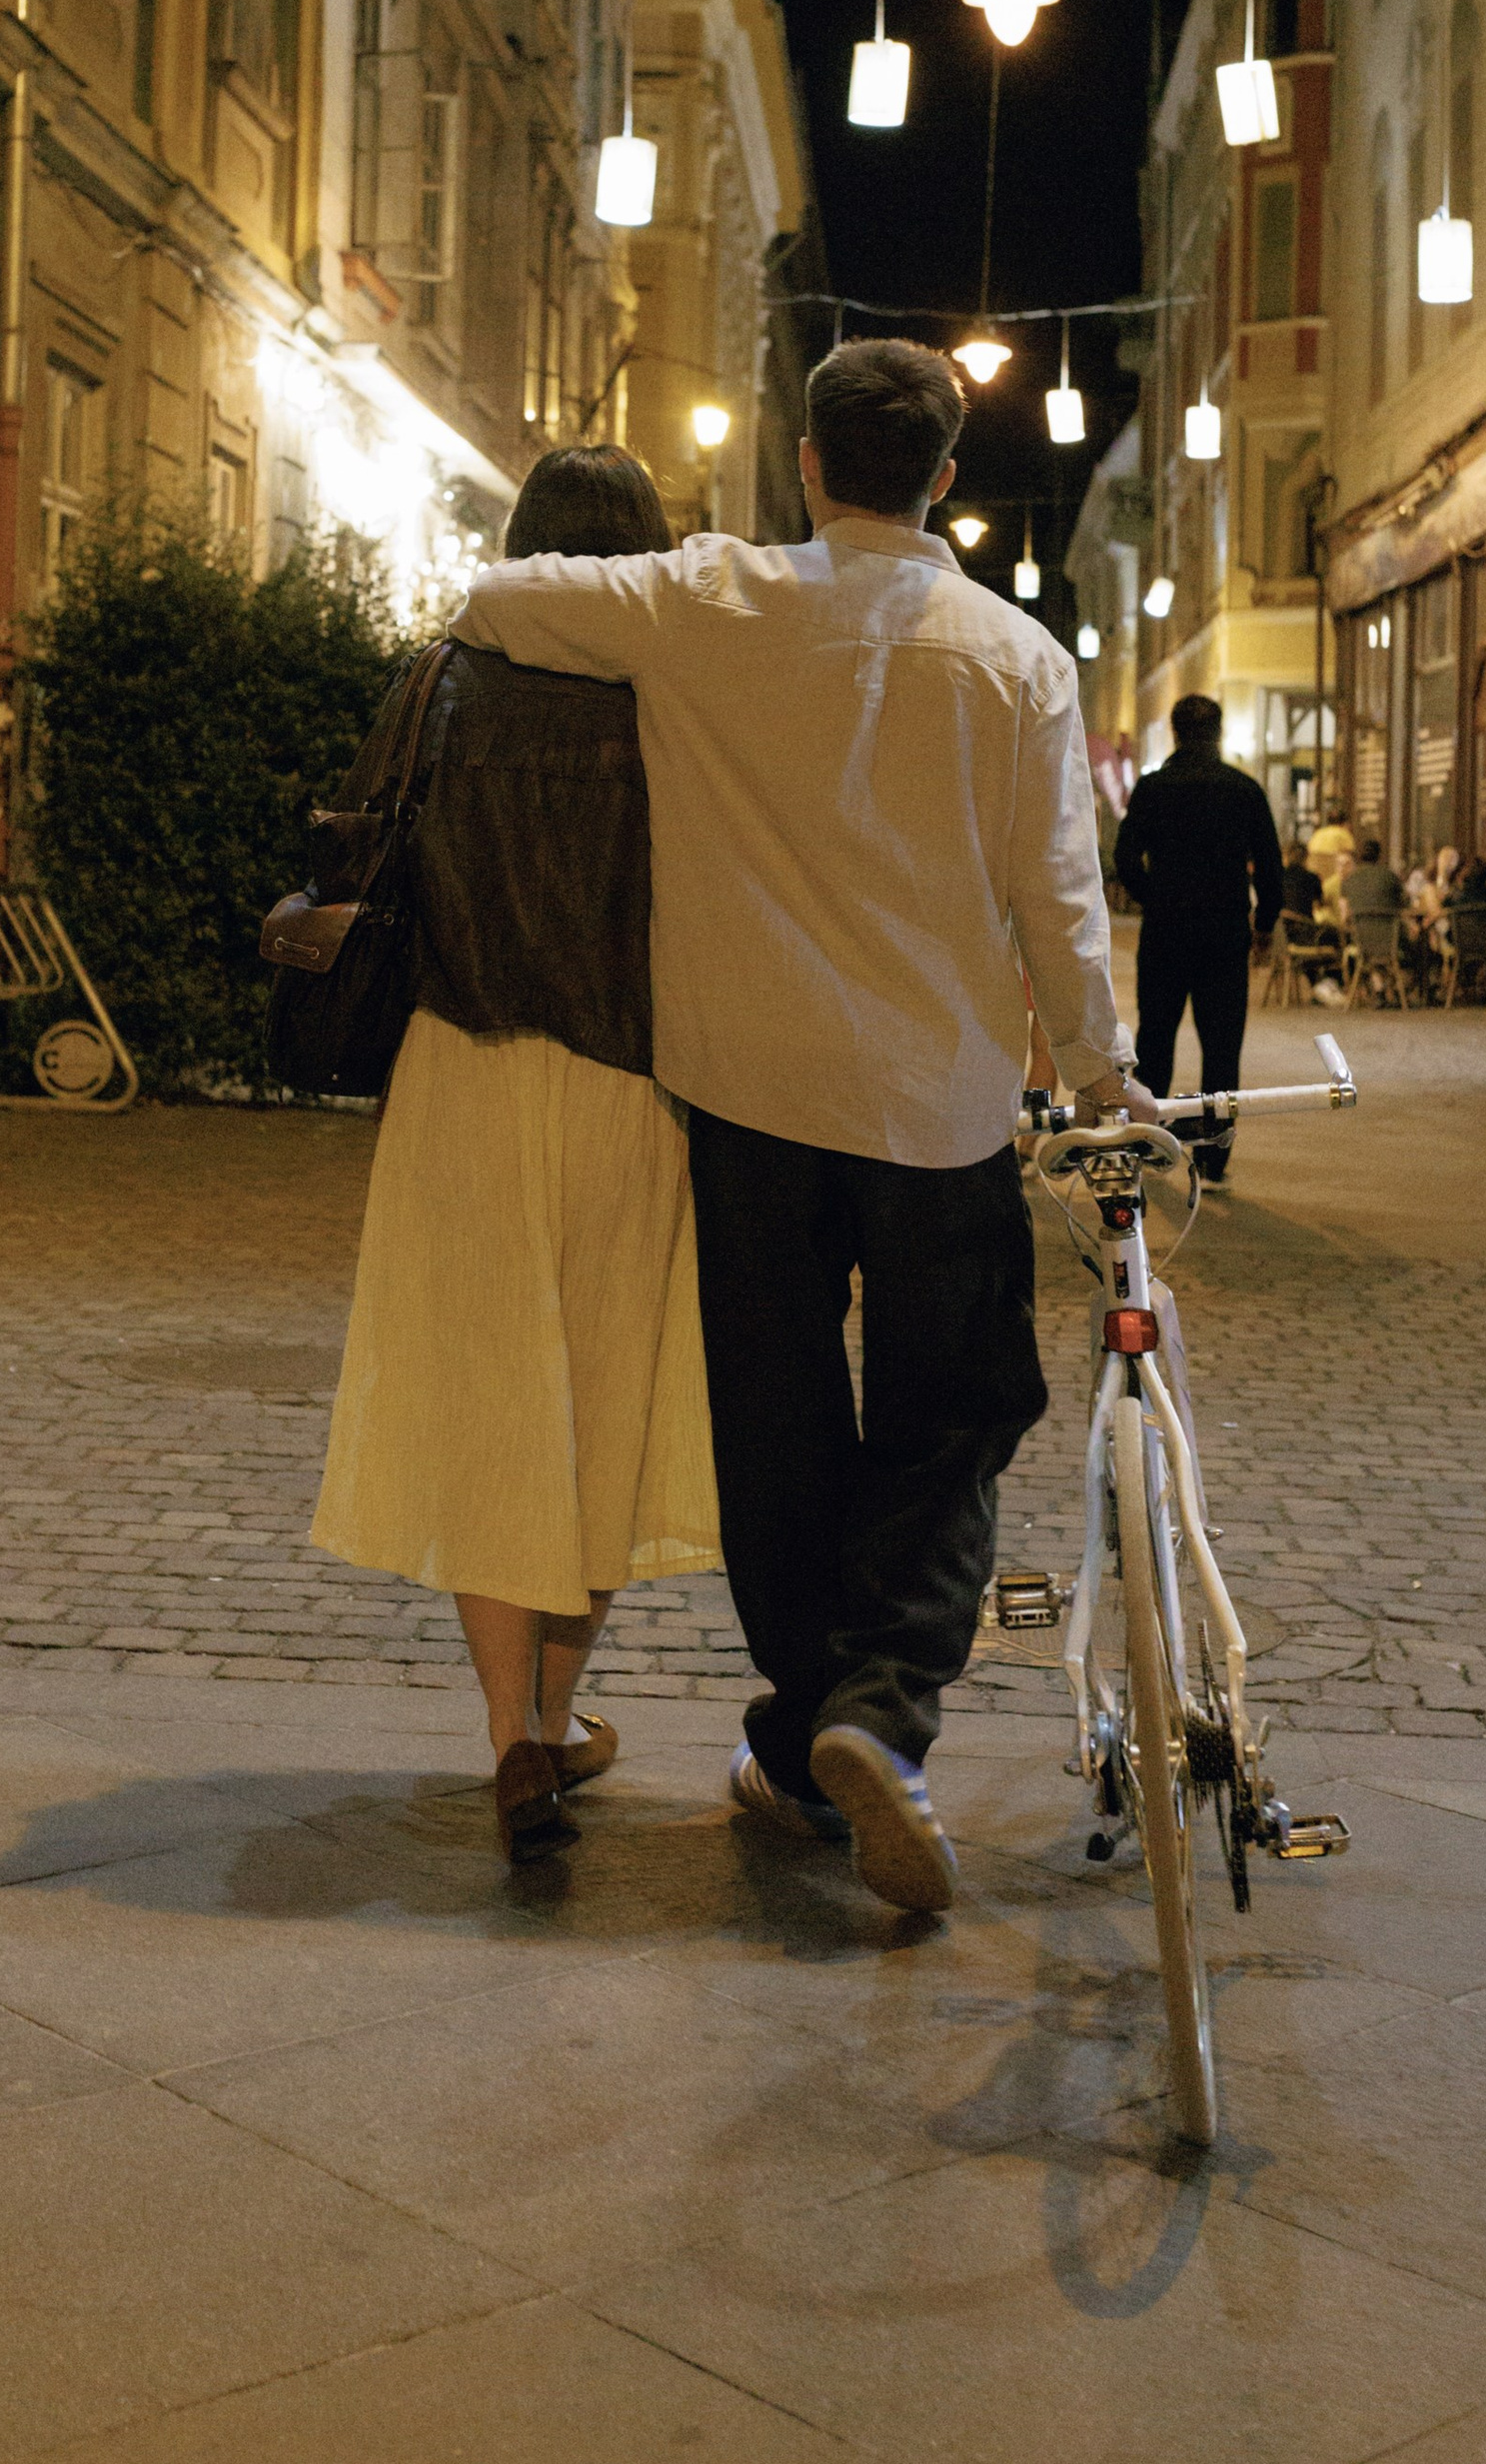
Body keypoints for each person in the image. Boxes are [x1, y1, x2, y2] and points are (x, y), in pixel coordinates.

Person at [451, 338, 1133, 1917]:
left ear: (808, 463)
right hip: (938, 1104)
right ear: (945, 479)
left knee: (776, 1422)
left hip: (748, 1095)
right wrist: (1103, 1075)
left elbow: (492, 601)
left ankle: (804, 1725)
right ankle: (875, 1712)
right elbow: (1058, 899)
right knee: (953, 1414)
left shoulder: (707, 598)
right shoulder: (1018, 656)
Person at [311, 445, 722, 1868]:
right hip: (630, 1087)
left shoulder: (439, 679)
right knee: (603, 1399)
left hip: (462, 1074)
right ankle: (557, 1709)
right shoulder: (676, 694)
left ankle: (511, 1738)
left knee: (495, 1401)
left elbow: (363, 854)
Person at [1111, 696, 1282, 1185]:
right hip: (1224, 935)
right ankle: (1212, 1157)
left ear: (1175, 732)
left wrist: (1154, 897)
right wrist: (1263, 926)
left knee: (1155, 1040)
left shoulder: (1152, 789)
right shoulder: (1244, 789)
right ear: (1219, 733)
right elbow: (1270, 868)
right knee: (1222, 1048)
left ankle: (1149, 1144)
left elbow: (1125, 857)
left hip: (1165, 933)